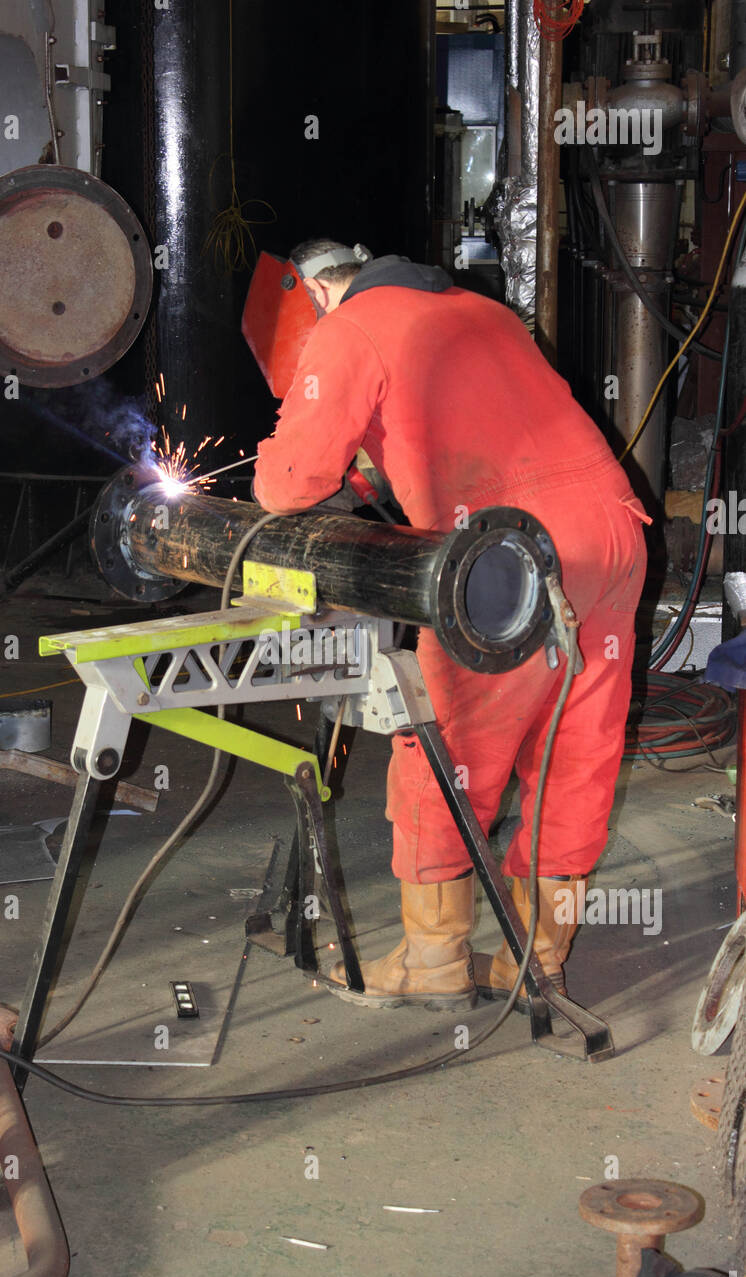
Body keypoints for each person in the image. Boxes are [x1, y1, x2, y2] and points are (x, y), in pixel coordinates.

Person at [250, 238, 649, 1012]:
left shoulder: (349, 327)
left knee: (447, 746)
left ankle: (434, 961)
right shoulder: (481, 311)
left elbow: (285, 482)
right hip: (612, 536)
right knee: (575, 752)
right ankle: (539, 961)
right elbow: (469, 431)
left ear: (316, 297)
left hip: (505, 561)